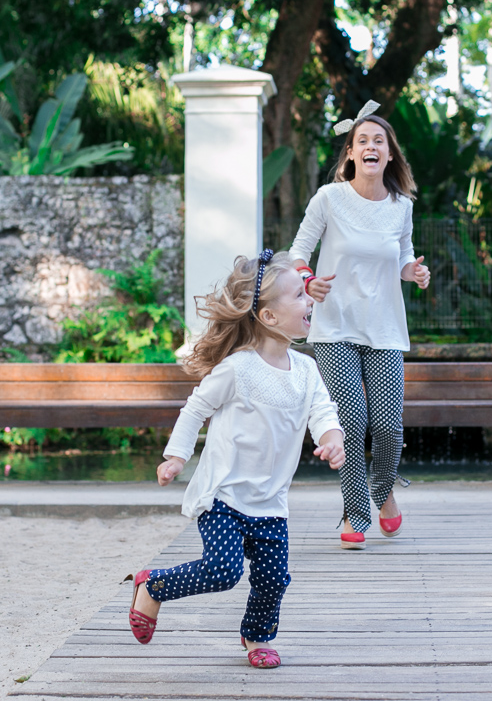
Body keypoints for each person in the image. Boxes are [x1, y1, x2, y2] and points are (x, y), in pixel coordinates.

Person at [126, 249, 346, 669]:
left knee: (273, 578)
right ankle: (152, 586)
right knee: (222, 570)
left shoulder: (306, 370)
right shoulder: (237, 369)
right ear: (268, 317)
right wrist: (176, 457)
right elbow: (195, 409)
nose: (310, 301)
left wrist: (332, 439)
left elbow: (323, 414)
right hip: (224, 497)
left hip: (270, 503)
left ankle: (257, 636)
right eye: (299, 295)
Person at [289, 100, 430, 550]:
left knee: (388, 425)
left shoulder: (401, 206)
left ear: (390, 155)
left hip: (385, 327)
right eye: (362, 141)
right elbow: (298, 253)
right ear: (350, 153)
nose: (371, 147)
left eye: (379, 141)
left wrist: (414, 272)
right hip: (334, 328)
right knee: (350, 419)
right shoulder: (329, 198)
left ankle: (383, 488)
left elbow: (404, 256)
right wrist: (307, 281)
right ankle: (354, 507)